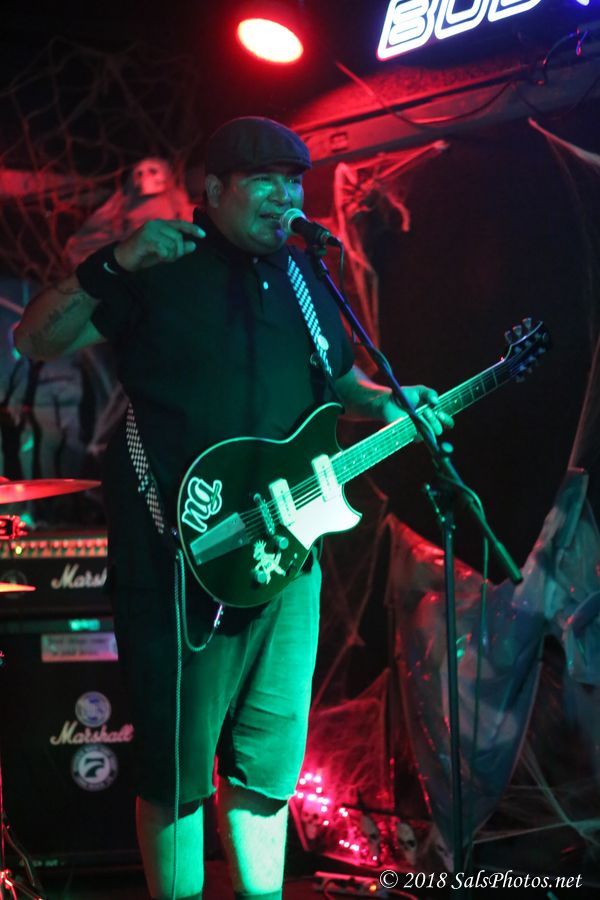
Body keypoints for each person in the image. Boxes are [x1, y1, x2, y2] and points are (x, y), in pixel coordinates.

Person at [14, 116, 453, 900]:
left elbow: (337, 384)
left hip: (287, 553)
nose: (286, 196)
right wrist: (112, 262)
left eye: (294, 181)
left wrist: (388, 402)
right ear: (213, 190)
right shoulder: (160, 265)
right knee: (178, 772)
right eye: (264, 181)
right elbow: (35, 340)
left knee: (267, 765)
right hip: (179, 555)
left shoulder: (306, 277)